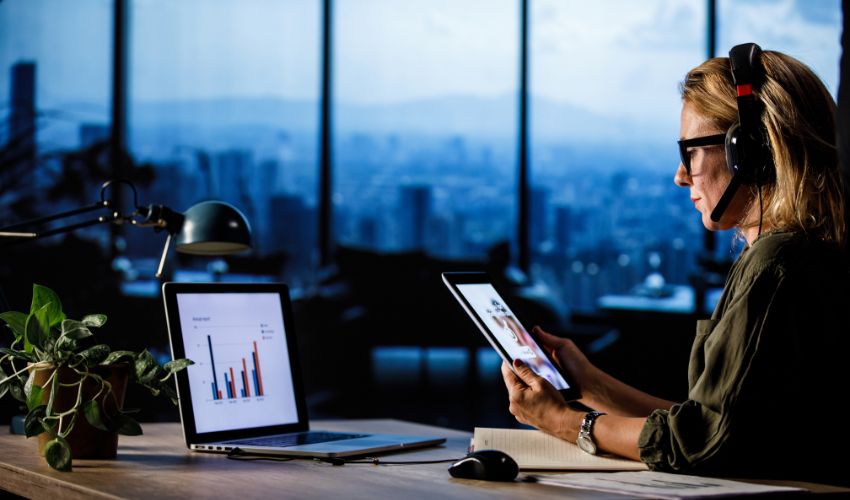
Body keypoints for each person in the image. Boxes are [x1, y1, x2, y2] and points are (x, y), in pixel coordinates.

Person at [501, 46, 850, 486]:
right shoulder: (801, 253)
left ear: (751, 152)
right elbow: (713, 422)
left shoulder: (776, 263)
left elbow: (703, 442)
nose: (681, 176)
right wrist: (588, 382)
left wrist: (566, 423)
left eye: (690, 152)